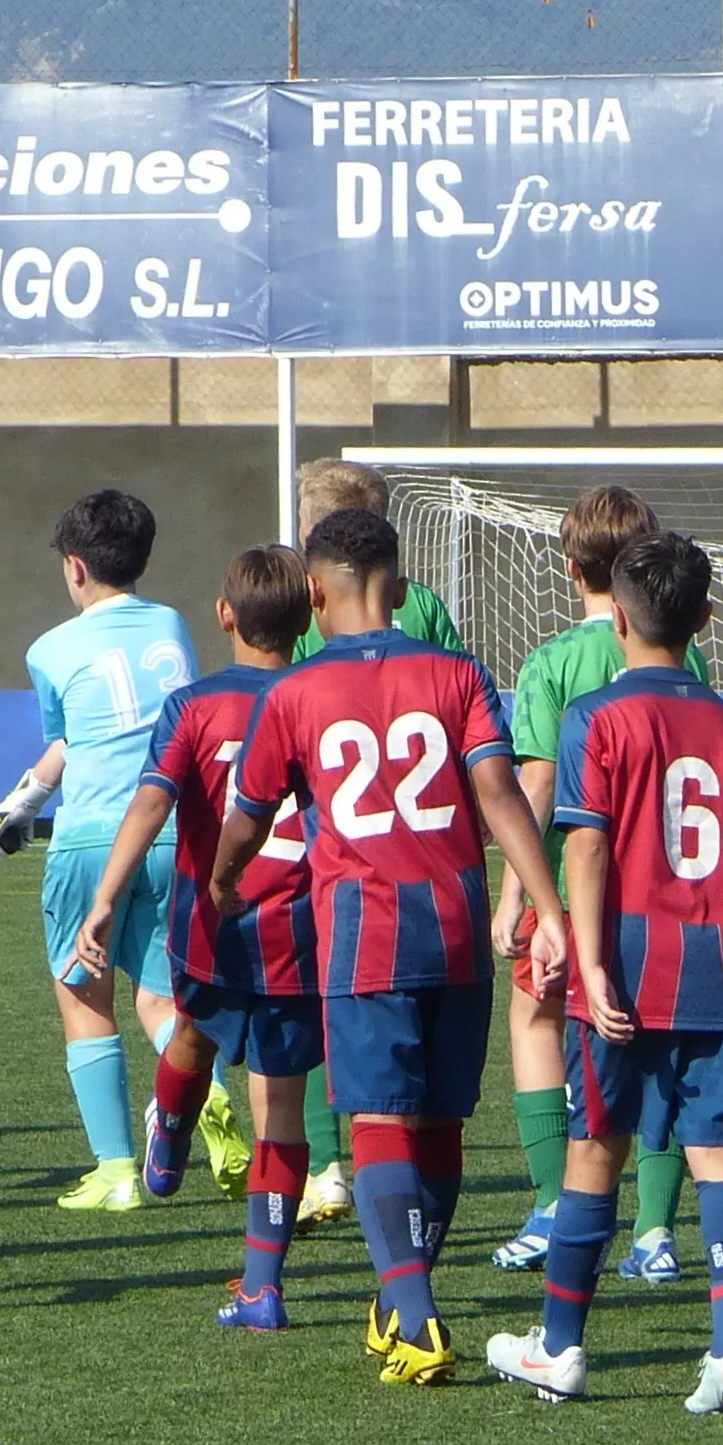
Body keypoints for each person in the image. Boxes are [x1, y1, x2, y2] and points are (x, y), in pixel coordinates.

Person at [219, 505, 566, 1387]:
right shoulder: (456, 670)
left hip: (363, 926)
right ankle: (401, 1299)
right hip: (451, 920)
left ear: (312, 592)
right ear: (403, 588)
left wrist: (220, 881)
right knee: (440, 1121)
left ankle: (414, 1315)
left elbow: (248, 817)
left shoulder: (292, 692)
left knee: (377, 1119)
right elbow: (499, 796)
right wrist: (549, 906)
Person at [491, 533, 723, 1412]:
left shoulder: (599, 717)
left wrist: (588, 956)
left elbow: (587, 840)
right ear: (707, 619)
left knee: (595, 1149)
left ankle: (562, 1346)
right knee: (716, 1150)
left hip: (631, 955)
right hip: (711, 960)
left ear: (618, 617)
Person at [66, 544, 325, 1330]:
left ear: (224, 616)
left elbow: (150, 803)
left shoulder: (196, 705)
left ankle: (171, 1128)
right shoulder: (323, 697)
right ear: (311, 613)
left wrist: (105, 897)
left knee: (191, 1036)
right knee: (281, 1103)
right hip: (296, 923)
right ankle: (262, 1284)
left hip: (210, 921)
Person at [497, 486, 711, 1284]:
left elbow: (541, 789)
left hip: (583, 892)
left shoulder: (553, 661)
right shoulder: (689, 656)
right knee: (665, 1045)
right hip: (675, 890)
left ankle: (558, 1201)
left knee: (535, 1013)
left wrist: (518, 897)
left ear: (570, 565)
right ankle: (654, 1228)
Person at [20, 487, 208, 1213]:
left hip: (93, 833)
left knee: (82, 994)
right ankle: (208, 1099)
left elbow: (68, 741)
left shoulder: (49, 649)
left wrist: (24, 804)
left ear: (75, 567)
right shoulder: (173, 624)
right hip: (170, 833)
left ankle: (116, 1169)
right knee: (160, 994)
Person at [289, 457, 465, 1229]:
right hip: (434, 857)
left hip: (341, 856)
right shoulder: (423, 608)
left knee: (339, 1006)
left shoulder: (310, 610)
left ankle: (329, 1163)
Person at [291, 458, 468, 650]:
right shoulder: (420, 602)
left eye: (300, 518)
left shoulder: (299, 604)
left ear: (311, 532)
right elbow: (457, 674)